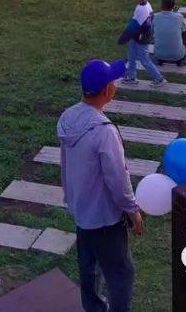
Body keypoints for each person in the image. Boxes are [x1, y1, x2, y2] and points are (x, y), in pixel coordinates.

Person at [58, 58, 144, 312]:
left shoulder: (68, 118)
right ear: (107, 90)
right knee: (121, 273)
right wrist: (132, 209)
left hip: (81, 209)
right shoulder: (104, 132)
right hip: (105, 218)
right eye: (113, 81)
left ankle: (93, 307)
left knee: (88, 266)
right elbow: (117, 178)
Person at [119, 0, 166, 86]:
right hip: (136, 37)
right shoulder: (146, 4)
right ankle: (131, 77)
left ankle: (159, 79)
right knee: (131, 56)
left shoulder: (140, 9)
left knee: (144, 59)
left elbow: (133, 26)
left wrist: (122, 39)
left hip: (141, 38)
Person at [151, 0, 186, 65]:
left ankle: (161, 59)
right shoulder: (179, 17)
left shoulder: (154, 17)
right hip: (178, 55)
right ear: (173, 5)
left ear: (161, 4)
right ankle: (180, 58)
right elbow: (185, 33)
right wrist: (185, 45)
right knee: (184, 33)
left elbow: (151, 33)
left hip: (159, 54)